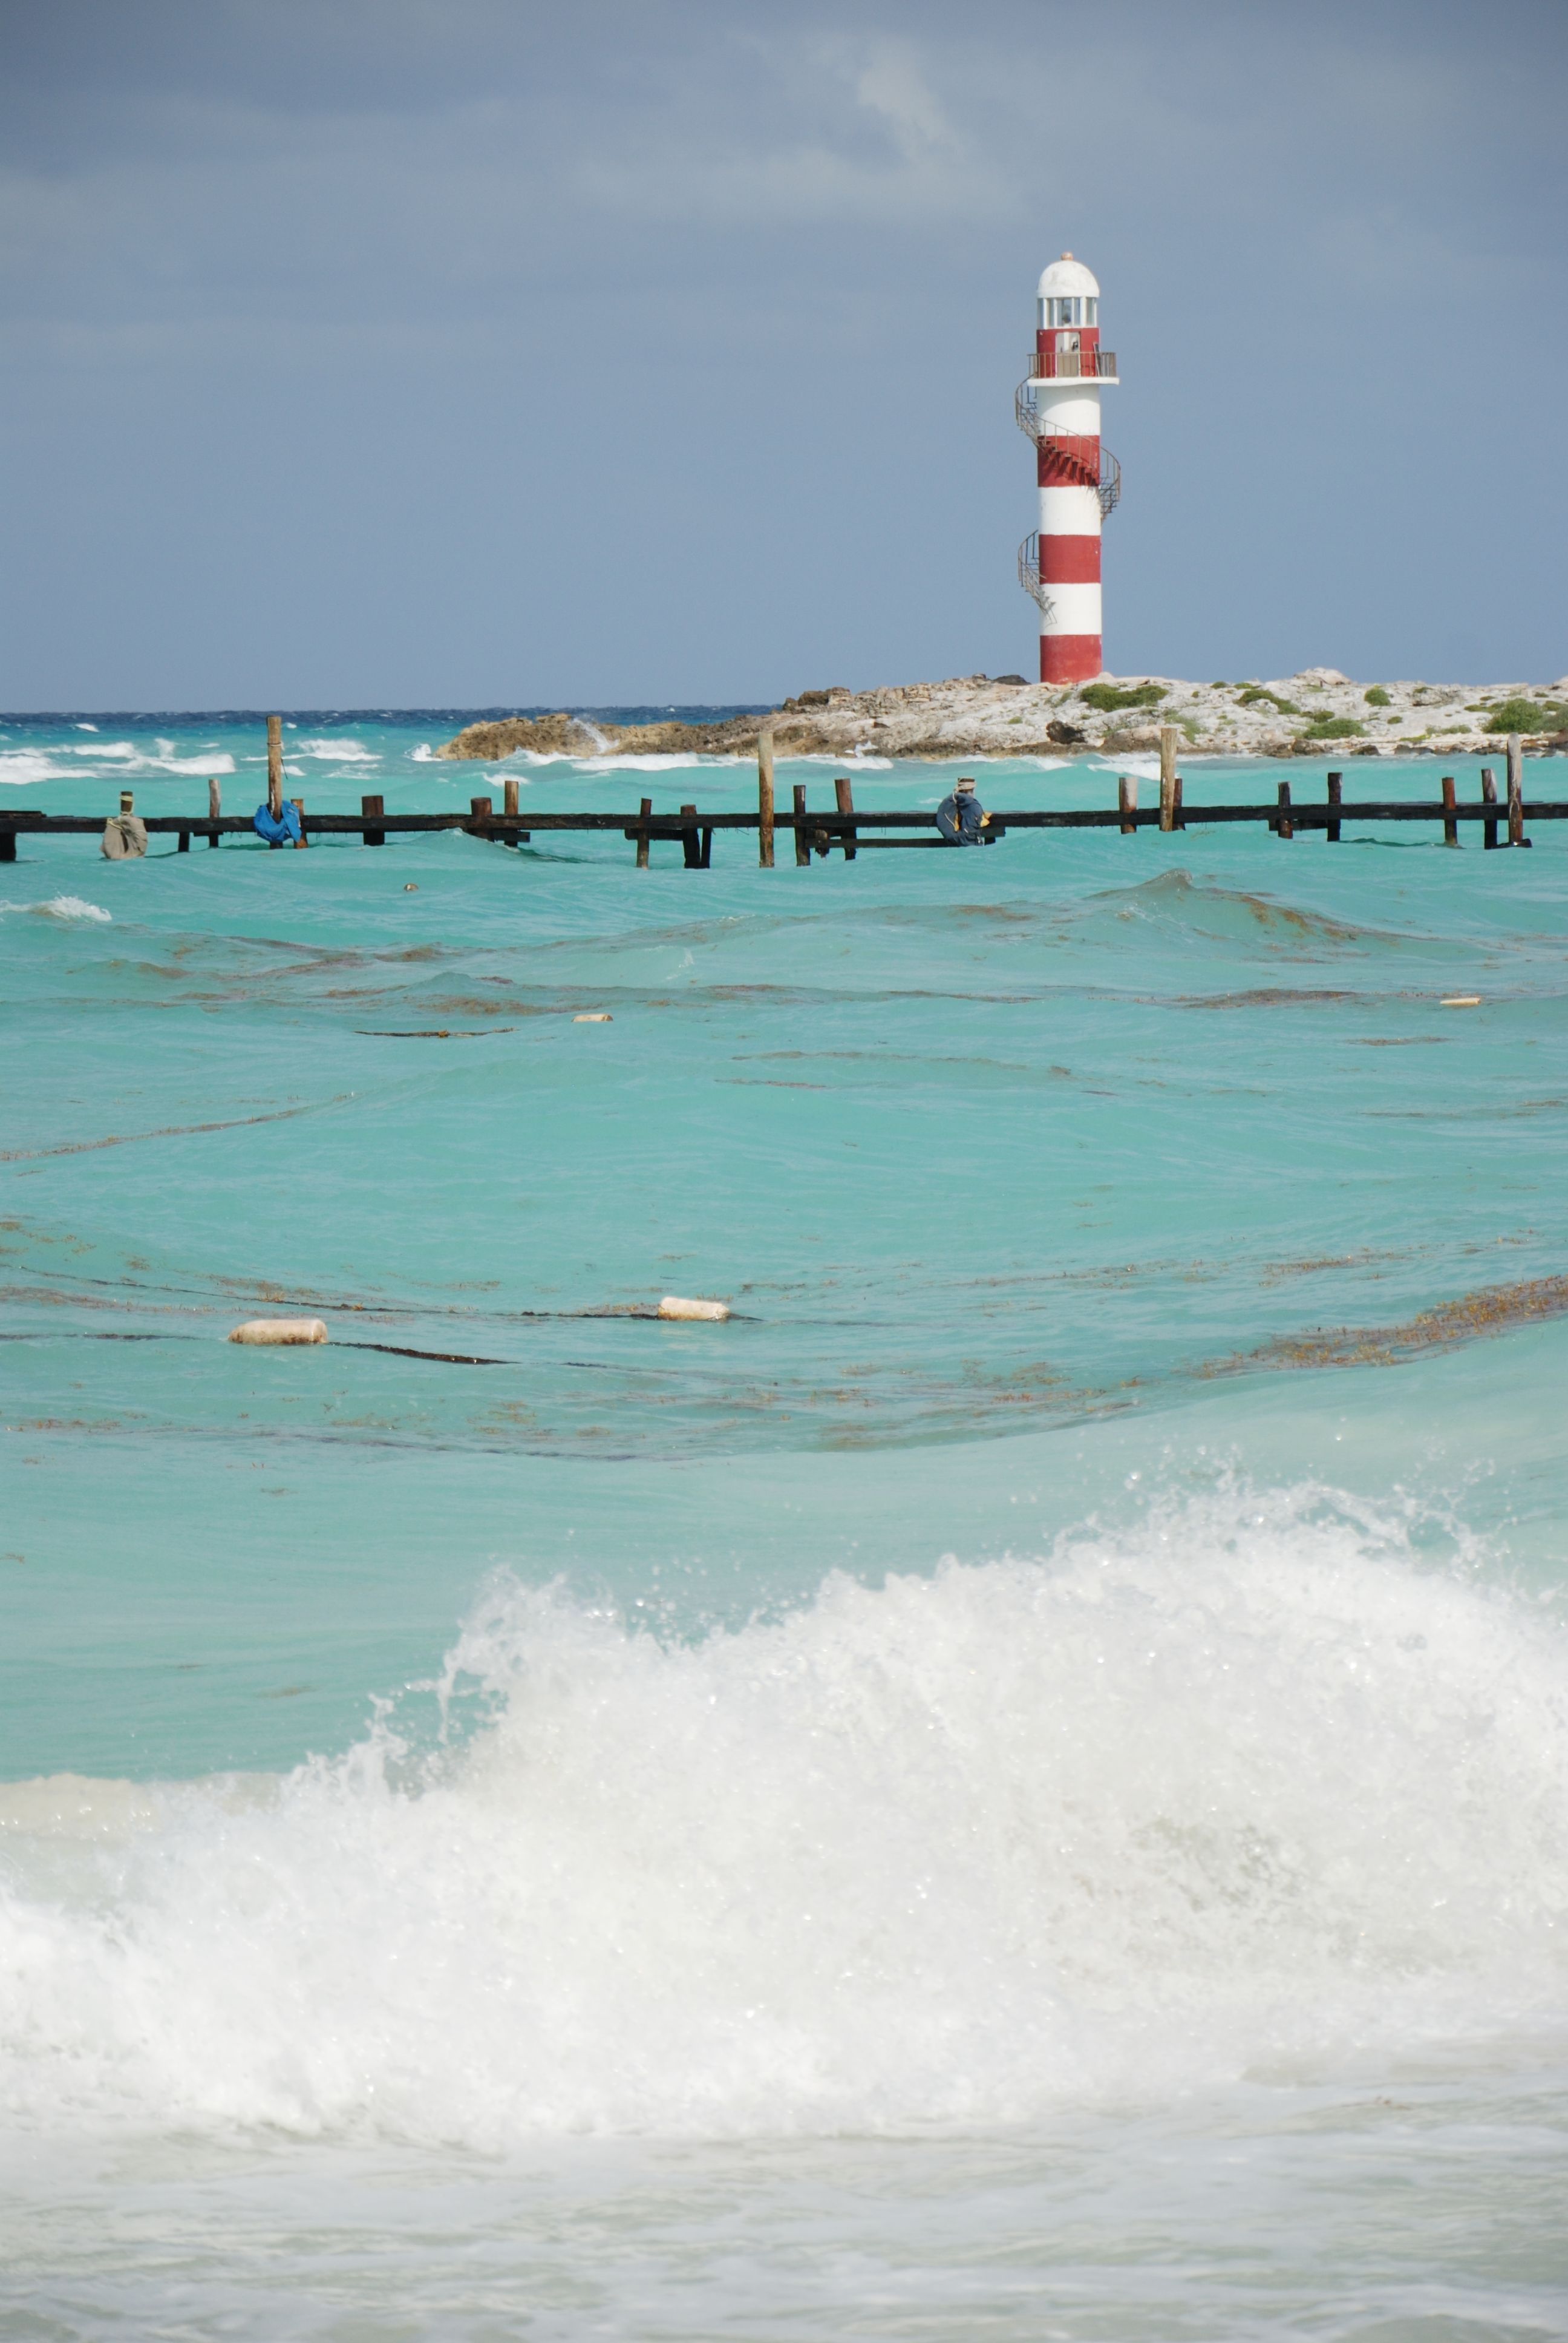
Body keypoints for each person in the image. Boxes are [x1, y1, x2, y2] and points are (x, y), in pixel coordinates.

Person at [935, 775, 988, 845]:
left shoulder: (951, 803)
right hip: (971, 843)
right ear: (973, 790)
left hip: (953, 842)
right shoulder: (974, 806)